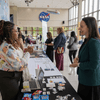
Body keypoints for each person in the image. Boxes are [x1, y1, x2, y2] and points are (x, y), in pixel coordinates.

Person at [70, 17, 100, 100]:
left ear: (89, 27)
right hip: (84, 80)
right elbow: (87, 57)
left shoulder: (94, 42)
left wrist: (78, 64)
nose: (79, 28)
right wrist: (78, 59)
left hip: (91, 83)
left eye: (81, 26)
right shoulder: (87, 40)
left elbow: (94, 64)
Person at [0, 20, 31, 100]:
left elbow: (16, 57)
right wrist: (28, 53)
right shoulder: (7, 48)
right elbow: (20, 65)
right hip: (8, 79)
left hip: (13, 77)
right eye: (16, 31)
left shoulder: (9, 44)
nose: (18, 32)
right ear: (9, 32)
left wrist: (24, 51)